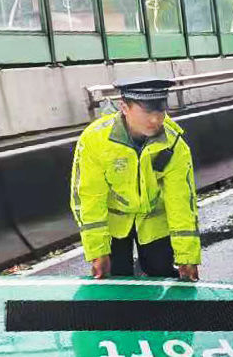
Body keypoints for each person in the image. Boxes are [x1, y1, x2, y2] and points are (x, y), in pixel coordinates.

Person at [71, 77, 201, 280]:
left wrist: (187, 257)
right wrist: (97, 252)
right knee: (115, 280)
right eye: (147, 113)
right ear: (124, 107)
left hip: (153, 221)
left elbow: (182, 203)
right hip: (114, 223)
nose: (155, 120)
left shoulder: (173, 144)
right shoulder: (95, 141)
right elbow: (89, 198)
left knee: (161, 276)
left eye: (160, 111)